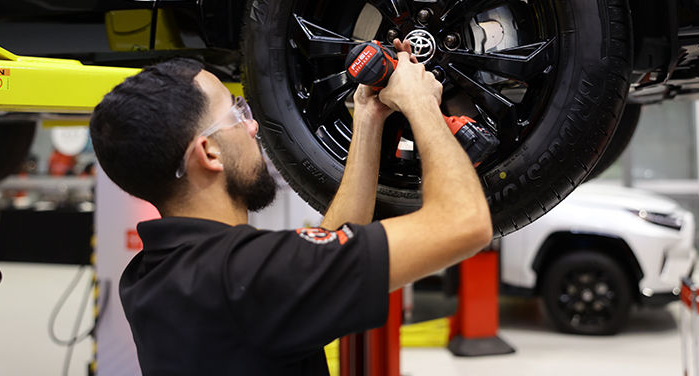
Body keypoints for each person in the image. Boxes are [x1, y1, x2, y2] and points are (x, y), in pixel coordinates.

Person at [88, 41, 492, 375]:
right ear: (208, 152)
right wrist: (422, 104)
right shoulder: (241, 275)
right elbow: (464, 223)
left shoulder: (150, 276)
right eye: (236, 113)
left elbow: (317, 258)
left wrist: (369, 117)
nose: (253, 126)